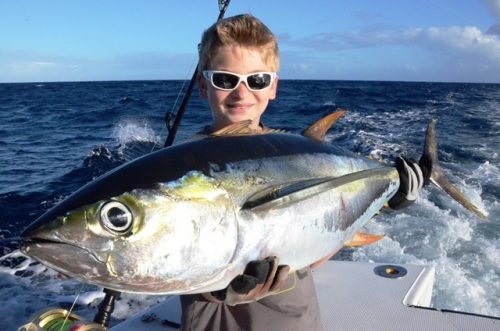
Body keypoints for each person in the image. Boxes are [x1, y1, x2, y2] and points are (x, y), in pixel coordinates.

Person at [180, 14, 426, 331]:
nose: (242, 93)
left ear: (273, 88)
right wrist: (218, 290)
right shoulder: (186, 169)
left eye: (257, 80)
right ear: (203, 84)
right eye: (226, 80)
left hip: (298, 321)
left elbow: (310, 259)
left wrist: (388, 198)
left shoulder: (295, 153)